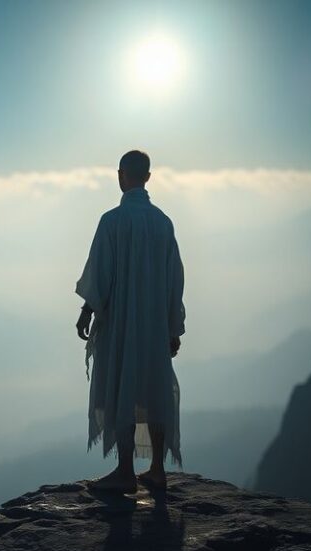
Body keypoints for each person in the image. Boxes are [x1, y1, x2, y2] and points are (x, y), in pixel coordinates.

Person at [75, 150, 185, 493]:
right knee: (154, 387)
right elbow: (174, 279)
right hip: (153, 323)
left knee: (121, 383)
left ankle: (125, 471)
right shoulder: (163, 223)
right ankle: (156, 470)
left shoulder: (112, 221)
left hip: (121, 321)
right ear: (148, 177)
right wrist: (172, 326)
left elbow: (100, 274)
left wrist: (87, 311)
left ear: (121, 175)